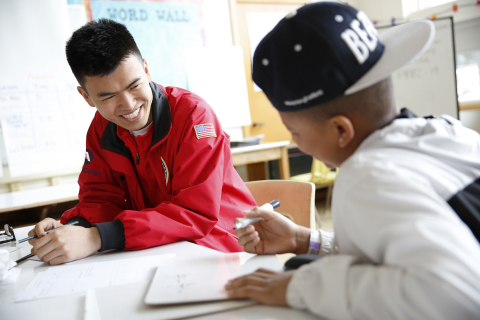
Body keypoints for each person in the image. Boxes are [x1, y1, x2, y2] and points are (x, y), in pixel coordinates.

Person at [225, 2, 480, 319]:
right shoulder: (446, 132)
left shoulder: (366, 176)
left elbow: (457, 293)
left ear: (340, 130)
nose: (296, 143)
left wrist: (299, 285)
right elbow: (400, 248)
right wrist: (303, 239)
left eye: (295, 131)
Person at [28, 19, 257, 265]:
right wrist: (72, 226)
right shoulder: (101, 128)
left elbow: (195, 213)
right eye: (109, 97)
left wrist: (97, 237)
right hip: (161, 246)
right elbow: (101, 197)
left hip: (223, 245)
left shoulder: (194, 116)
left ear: (146, 69)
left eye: (134, 85)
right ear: (86, 97)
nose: (128, 105)